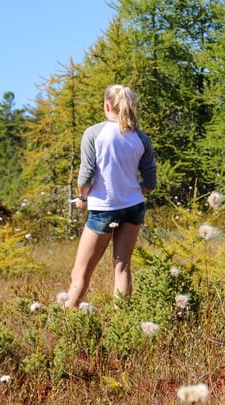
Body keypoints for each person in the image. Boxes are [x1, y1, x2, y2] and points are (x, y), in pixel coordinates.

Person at [65, 85, 157, 308]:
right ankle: (123, 322)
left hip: (103, 209)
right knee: (122, 266)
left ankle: (64, 322)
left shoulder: (94, 133)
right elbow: (151, 181)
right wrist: (133, 190)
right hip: (134, 208)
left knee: (81, 272)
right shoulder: (140, 138)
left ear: (107, 106)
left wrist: (82, 198)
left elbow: (85, 177)